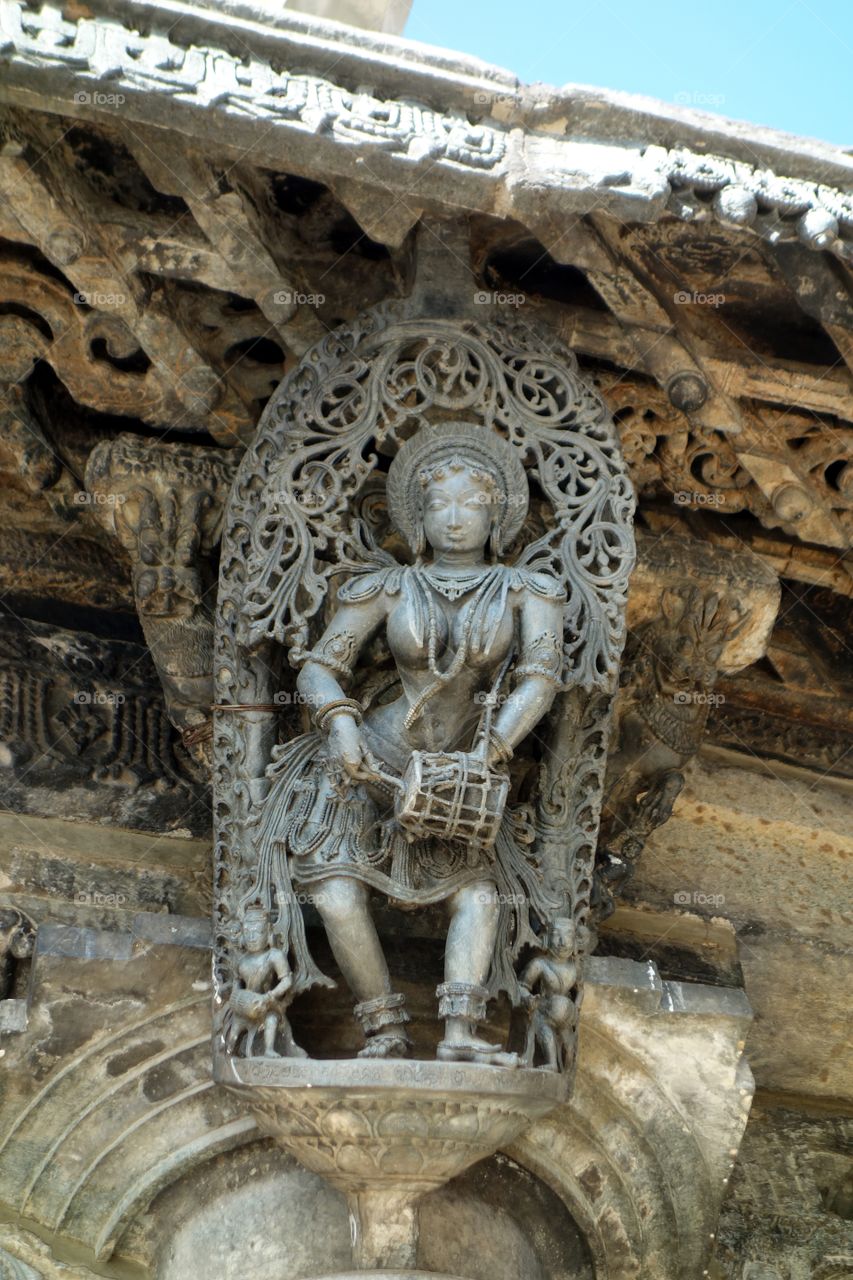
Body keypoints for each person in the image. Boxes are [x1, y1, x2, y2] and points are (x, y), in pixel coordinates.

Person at [249, 423, 567, 1064]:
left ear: (497, 513)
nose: (455, 520)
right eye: (439, 505)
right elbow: (317, 666)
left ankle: (458, 1034)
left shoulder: (530, 592)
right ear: (417, 516)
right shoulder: (389, 586)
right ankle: (384, 1031)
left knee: (478, 896)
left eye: (471, 505)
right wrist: (339, 724)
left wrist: (492, 750)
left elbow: (541, 678)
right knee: (336, 897)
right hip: (368, 760)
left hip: (463, 770)